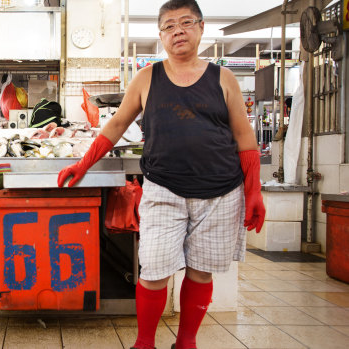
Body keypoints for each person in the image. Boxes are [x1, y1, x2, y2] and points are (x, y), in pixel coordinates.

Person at [57, 1, 266, 348]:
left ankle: (186, 342)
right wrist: (83, 163)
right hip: (163, 190)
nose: (178, 31)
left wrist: (254, 191)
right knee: (153, 270)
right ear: (161, 36)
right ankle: (144, 342)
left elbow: (245, 139)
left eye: (186, 22)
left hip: (221, 193)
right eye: (169, 26)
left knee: (201, 272)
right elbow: (117, 125)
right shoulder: (147, 77)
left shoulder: (223, 78)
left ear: (201, 27)